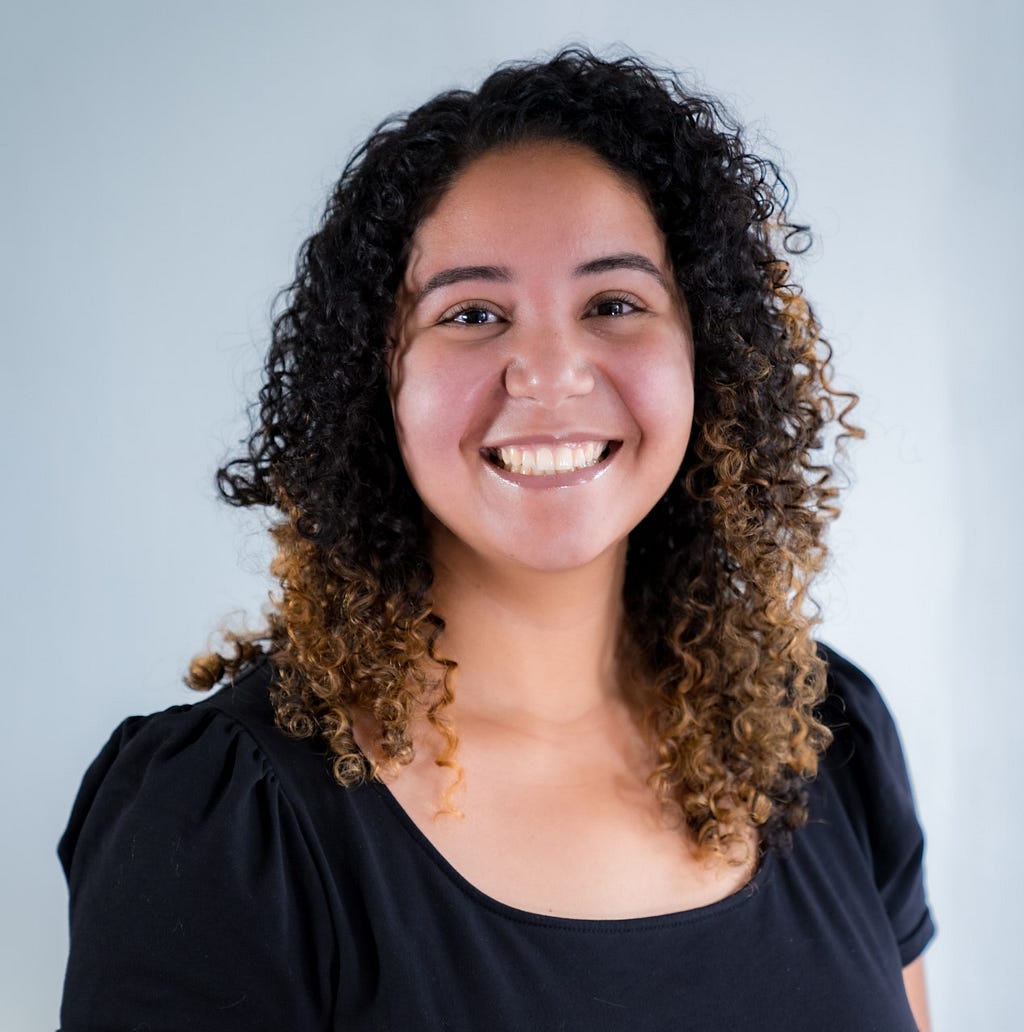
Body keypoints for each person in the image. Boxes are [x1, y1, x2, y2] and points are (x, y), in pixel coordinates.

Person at [58, 48, 934, 1031]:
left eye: (614, 304)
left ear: (707, 355)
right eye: (471, 314)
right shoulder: (221, 827)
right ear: (375, 383)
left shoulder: (827, 736)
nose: (550, 373)